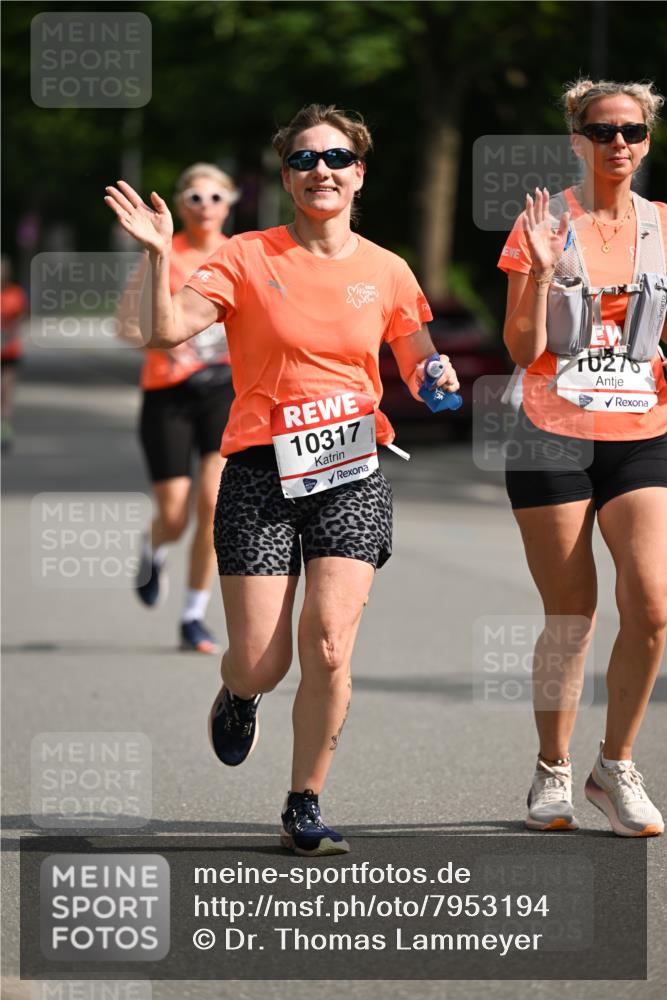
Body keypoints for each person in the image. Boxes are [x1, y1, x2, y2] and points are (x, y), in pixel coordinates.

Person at [105, 104, 459, 855]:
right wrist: (155, 255)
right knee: (262, 659)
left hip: (352, 471)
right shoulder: (244, 256)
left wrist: (436, 375)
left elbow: (416, 358)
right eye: (303, 160)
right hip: (262, 472)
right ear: (285, 175)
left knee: (328, 646)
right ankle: (238, 693)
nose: (319, 171)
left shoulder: (386, 269)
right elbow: (166, 330)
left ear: (358, 173)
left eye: (335, 158)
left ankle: (304, 801)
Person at [499, 78, 667, 836]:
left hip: (641, 429)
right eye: (602, 132)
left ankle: (616, 765)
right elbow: (521, 348)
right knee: (571, 615)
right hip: (550, 429)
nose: (618, 145)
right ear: (576, 139)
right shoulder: (542, 222)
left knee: (654, 607)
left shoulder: (662, 225)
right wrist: (537, 269)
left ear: (646, 138)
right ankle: (551, 768)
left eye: (631, 131)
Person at [116, 164, 239, 653]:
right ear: (181, 204)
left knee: (213, 502)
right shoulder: (162, 252)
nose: (204, 206)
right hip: (168, 393)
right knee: (174, 514)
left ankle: (193, 616)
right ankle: (153, 546)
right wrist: (162, 343)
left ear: (229, 203)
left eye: (214, 197)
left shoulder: (240, 254)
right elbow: (125, 325)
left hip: (223, 390)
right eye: (194, 197)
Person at [1, 256, 28, 452]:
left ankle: (5, 431)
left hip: (10, 351)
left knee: (6, 393)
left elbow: (20, 320)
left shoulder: (15, 294)